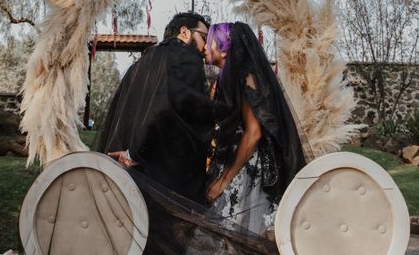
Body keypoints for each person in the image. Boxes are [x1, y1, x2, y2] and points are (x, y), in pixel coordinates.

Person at [98, 12, 216, 205]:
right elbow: (162, 109)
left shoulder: (143, 61)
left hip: (132, 172)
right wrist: (133, 153)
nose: (206, 47)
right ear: (185, 32)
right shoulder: (186, 58)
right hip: (164, 176)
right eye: (204, 37)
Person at [203, 22, 308, 236]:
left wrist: (223, 182)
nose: (204, 47)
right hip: (237, 162)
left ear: (223, 49)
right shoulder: (227, 79)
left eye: (209, 42)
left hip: (248, 168)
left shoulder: (247, 77)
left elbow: (253, 133)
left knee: (234, 234)